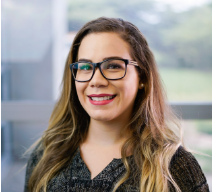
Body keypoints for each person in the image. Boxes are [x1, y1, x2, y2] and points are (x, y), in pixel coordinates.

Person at [24, 17, 209, 192]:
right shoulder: (47, 154)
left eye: (113, 66)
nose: (96, 81)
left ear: (142, 77)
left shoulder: (174, 166)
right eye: (85, 67)